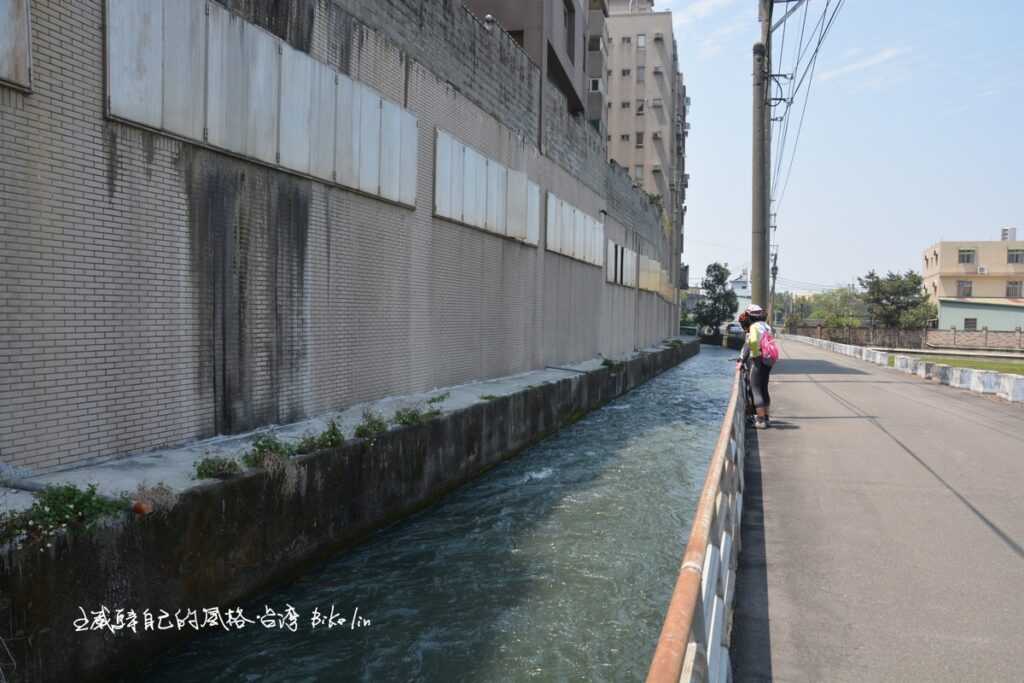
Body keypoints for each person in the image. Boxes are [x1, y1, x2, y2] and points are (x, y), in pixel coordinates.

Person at [738, 304, 773, 429]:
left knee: (756, 389)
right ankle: (767, 418)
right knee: (764, 388)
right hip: (769, 360)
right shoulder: (766, 326)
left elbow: (751, 342)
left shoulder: (754, 327)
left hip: (759, 360)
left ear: (750, 316)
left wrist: (754, 355)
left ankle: (761, 420)